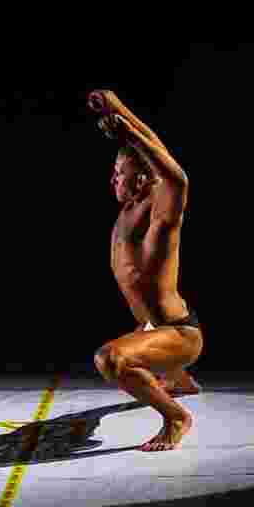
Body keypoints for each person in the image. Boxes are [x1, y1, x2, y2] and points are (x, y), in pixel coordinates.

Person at [88, 90, 203, 451]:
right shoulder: (130, 208)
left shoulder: (160, 217)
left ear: (143, 180)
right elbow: (155, 149)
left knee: (111, 360)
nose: (113, 180)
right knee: (139, 335)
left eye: (120, 173)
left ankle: (176, 417)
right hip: (152, 327)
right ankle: (178, 378)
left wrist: (127, 132)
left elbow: (176, 175)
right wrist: (118, 110)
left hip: (179, 334)